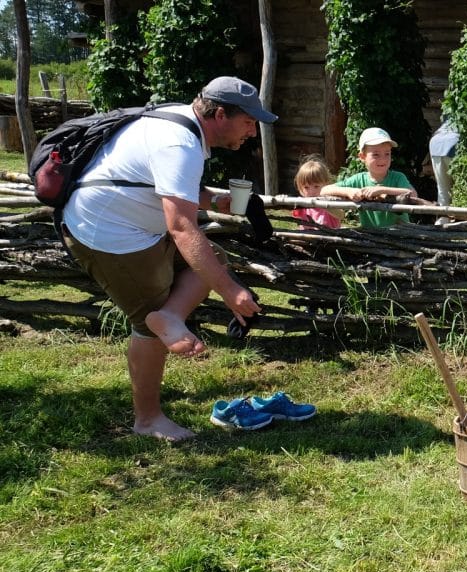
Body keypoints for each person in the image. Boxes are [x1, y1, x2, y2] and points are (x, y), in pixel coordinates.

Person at [58, 76, 271, 442]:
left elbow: (164, 185)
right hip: (108, 234)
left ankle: (170, 316)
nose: (252, 132)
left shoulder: (178, 121)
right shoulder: (180, 144)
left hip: (127, 224)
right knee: (148, 325)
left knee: (210, 260)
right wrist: (231, 291)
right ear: (220, 114)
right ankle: (148, 420)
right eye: (249, 122)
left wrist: (215, 201)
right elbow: (183, 228)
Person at [321, 127, 417, 228]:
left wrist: (380, 190)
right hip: (370, 237)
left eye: (387, 154)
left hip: (400, 236)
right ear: (362, 157)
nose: (382, 159)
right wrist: (349, 191)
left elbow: (412, 194)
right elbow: (324, 190)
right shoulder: (358, 179)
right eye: (376, 154)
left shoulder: (398, 177)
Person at [290, 155, 341, 229]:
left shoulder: (330, 201)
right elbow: (299, 222)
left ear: (326, 184)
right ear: (300, 188)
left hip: (329, 239)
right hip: (308, 239)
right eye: (306, 187)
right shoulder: (303, 204)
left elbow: (341, 215)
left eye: (316, 186)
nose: (311, 192)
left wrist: (326, 206)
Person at [429, 119, 459, 209]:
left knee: (442, 189)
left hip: (435, 144)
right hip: (454, 142)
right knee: (460, 187)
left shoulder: (449, 112)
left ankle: (442, 219)